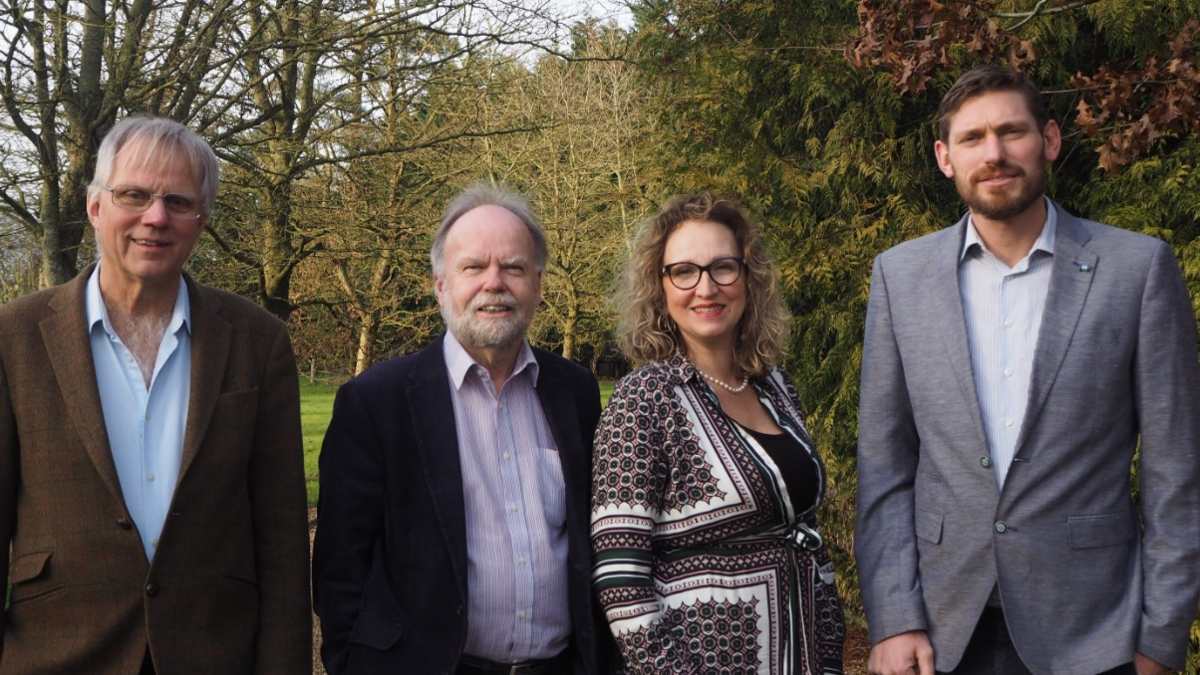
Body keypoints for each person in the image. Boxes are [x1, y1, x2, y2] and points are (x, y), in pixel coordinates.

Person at [855, 64, 1200, 675]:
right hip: (942, 632)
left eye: (1012, 132)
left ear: (1050, 140)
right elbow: (884, 469)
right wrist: (894, 617)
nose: (994, 154)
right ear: (944, 157)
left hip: (1096, 632)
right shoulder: (899, 277)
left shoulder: (1136, 270)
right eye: (972, 138)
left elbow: (1178, 475)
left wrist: (1162, 637)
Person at [0, 117, 312, 673]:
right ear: (95, 206)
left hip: (214, 654)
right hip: (58, 653)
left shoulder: (257, 341)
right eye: (134, 195)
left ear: (202, 218)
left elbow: (284, 542)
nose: (156, 217)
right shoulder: (13, 338)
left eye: (179, 201)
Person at [312, 184, 610, 675]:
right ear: (441, 286)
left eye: (513, 267)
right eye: (473, 267)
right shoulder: (376, 401)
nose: (494, 283)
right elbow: (340, 570)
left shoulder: (574, 392)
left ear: (537, 284)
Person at [590, 193, 846, 675]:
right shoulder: (644, 398)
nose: (705, 288)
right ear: (660, 287)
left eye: (723, 267)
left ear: (749, 279)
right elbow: (621, 578)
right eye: (684, 271)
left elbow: (804, 530)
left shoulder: (775, 386)